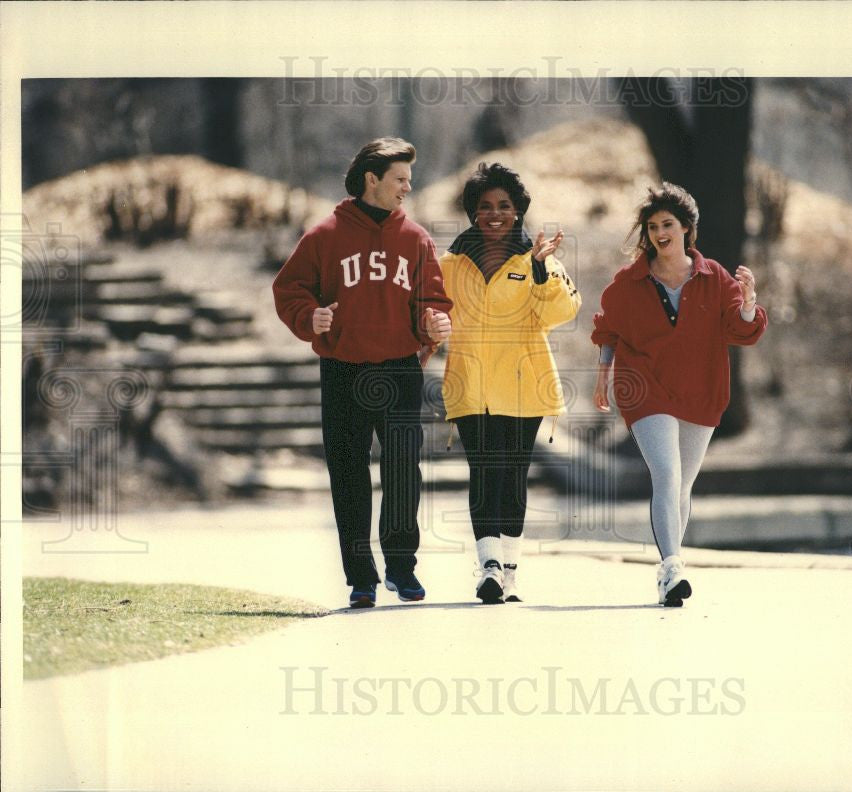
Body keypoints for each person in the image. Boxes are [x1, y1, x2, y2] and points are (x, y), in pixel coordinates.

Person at [272, 137, 452, 609]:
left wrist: (434, 321)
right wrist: (309, 316)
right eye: (399, 179)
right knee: (348, 473)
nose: (406, 188)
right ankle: (361, 577)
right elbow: (288, 289)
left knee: (402, 472)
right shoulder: (324, 236)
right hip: (343, 369)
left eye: (409, 180)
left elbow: (432, 298)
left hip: (398, 369)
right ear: (371, 179)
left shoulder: (415, 238)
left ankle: (400, 566)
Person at [591, 182, 766, 607]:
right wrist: (603, 375)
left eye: (667, 224)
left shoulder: (715, 277)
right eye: (651, 227)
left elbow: (742, 332)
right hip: (645, 388)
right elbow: (608, 327)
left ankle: (672, 565)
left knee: (683, 485)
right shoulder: (629, 282)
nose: (658, 233)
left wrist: (747, 303)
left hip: (700, 390)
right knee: (666, 475)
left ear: (687, 229)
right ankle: (671, 567)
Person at [439, 163, 581, 603]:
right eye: (485, 207)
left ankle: (510, 570)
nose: (495, 214)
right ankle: (489, 569)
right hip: (469, 383)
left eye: (504, 205)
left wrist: (540, 270)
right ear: (472, 213)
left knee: (513, 473)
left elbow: (562, 312)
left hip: (524, 383)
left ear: (518, 211)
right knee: (483, 471)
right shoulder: (450, 263)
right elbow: (428, 310)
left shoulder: (540, 261)